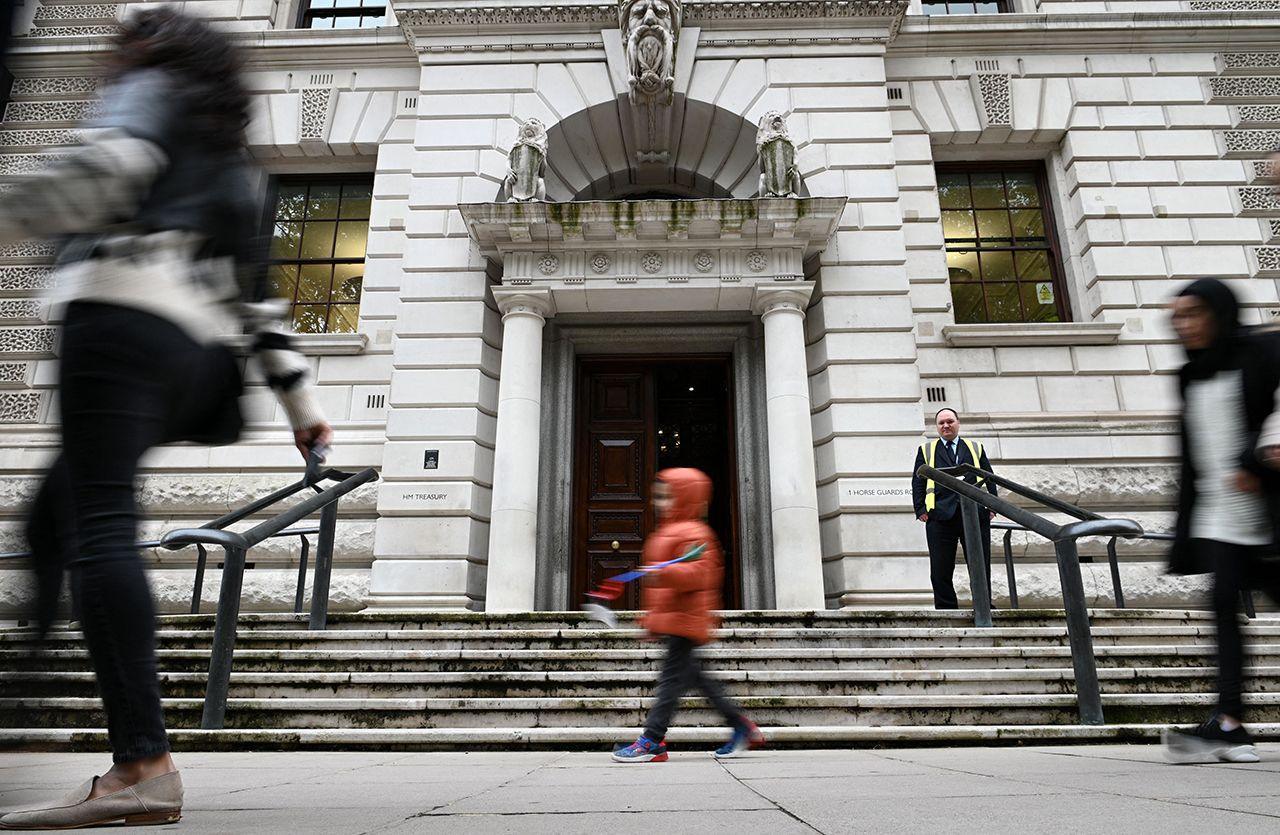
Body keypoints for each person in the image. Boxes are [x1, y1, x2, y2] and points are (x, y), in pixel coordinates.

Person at [0, 9, 330, 830]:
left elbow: (108, 164)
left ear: (150, 48)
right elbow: (259, 302)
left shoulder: (150, 88)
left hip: (120, 317)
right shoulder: (236, 165)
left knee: (100, 523)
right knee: (53, 518)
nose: (108, 61)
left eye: (121, 47)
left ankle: (142, 763)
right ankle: (29, 684)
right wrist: (304, 408)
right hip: (195, 357)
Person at [1163, 279, 1280, 765]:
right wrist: (1186, 525)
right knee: (1221, 604)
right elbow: (1191, 453)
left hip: (1268, 507)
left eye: (1194, 313)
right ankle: (1229, 722)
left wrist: (1260, 458)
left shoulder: (1262, 351)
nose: (1185, 325)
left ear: (1219, 312)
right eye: (1177, 318)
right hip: (1219, 512)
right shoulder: (1189, 375)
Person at [612, 468, 764, 762]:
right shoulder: (671, 530)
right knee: (698, 678)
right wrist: (653, 619)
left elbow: (699, 573)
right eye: (658, 497)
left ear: (685, 497)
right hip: (675, 619)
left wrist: (664, 572)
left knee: (671, 680)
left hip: (686, 618)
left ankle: (652, 740)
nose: (659, 503)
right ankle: (740, 725)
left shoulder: (696, 533)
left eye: (666, 497)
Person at [911, 408, 998, 610]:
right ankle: (946, 608)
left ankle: (984, 605)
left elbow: (989, 477)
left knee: (980, 563)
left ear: (958, 423)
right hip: (940, 516)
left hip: (975, 514)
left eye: (950, 421)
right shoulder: (926, 450)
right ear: (937, 427)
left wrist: (992, 505)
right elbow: (917, 481)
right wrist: (920, 509)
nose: (946, 426)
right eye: (941, 423)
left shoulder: (975, 448)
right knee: (940, 566)